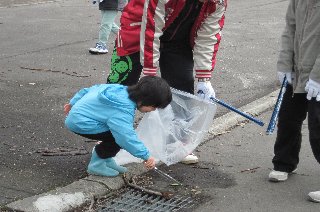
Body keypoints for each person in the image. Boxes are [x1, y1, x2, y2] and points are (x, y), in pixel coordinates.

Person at [107, 0, 227, 164]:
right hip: (137, 28)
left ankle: (175, 143)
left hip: (178, 39)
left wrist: (204, 78)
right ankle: (109, 140)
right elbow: (151, 27)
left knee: (183, 85)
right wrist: (150, 72)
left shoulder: (217, 2)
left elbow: (209, 35)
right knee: (122, 85)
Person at [64, 76, 172, 177]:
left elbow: (88, 90)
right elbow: (126, 137)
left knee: (118, 133)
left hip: (78, 116)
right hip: (81, 123)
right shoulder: (123, 109)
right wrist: (146, 156)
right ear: (145, 100)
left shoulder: (120, 89)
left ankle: (107, 159)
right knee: (117, 137)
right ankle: (96, 165)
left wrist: (72, 103)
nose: (153, 110)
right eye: (153, 107)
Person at [268, 0, 320, 203]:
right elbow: (290, 29)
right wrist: (284, 64)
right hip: (299, 70)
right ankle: (284, 163)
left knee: (318, 126)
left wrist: (318, 76)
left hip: (317, 75)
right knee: (288, 117)